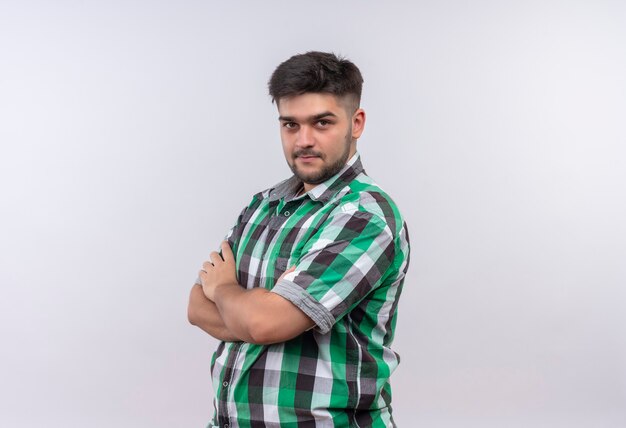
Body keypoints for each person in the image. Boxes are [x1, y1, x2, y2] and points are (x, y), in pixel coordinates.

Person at [188, 51, 411, 428]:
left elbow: (261, 323)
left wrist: (227, 290)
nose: (304, 140)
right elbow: (196, 306)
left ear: (356, 124)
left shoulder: (363, 216)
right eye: (290, 125)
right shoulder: (262, 206)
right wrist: (256, 312)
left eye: (321, 122)